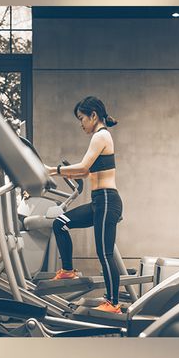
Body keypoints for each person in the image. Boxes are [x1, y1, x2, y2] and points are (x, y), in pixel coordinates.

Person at [46, 96, 123, 314]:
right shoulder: (99, 137)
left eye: (82, 118)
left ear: (94, 116)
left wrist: (52, 170)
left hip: (107, 199)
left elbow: (83, 169)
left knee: (104, 252)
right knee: (60, 223)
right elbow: (86, 171)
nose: (81, 123)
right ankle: (68, 270)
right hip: (99, 202)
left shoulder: (101, 136)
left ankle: (113, 303)